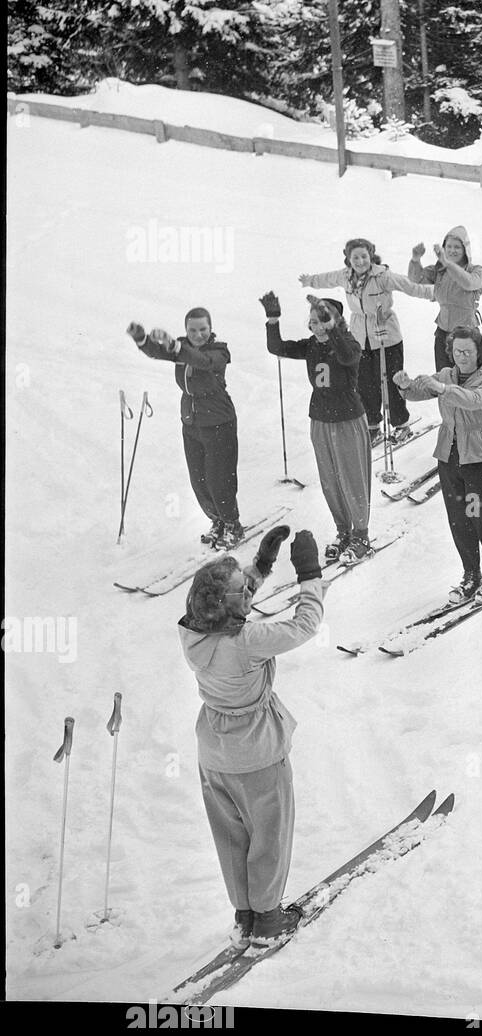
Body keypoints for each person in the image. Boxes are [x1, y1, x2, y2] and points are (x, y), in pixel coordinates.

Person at [179, 524, 322, 948]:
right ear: (231, 603)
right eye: (244, 587)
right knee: (269, 835)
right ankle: (269, 917)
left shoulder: (192, 632)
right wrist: (309, 575)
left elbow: (223, 606)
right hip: (257, 752)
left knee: (231, 837)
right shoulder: (248, 641)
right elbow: (304, 626)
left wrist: (260, 566)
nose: (249, 589)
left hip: (215, 754)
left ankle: (244, 914)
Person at [395, 326, 482, 599]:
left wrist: (444, 389)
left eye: (468, 351)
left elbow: (474, 400)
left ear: (479, 351)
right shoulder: (446, 374)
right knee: (460, 519)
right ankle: (471, 573)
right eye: (457, 351)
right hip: (450, 456)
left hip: (481, 458)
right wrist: (404, 386)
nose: (462, 356)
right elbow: (420, 391)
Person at [263, 292, 372, 564]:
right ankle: (343, 531)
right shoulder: (312, 345)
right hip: (320, 419)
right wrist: (273, 319)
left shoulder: (349, 344)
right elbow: (277, 348)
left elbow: (347, 357)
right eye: (313, 321)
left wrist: (332, 327)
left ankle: (361, 535)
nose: (317, 326)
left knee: (352, 478)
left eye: (322, 320)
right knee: (331, 481)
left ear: (335, 322)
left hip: (346, 419)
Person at [127, 307, 243, 548]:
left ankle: (233, 524)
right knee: (199, 479)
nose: (198, 334)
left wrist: (177, 347)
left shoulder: (219, 351)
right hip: (191, 421)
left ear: (211, 329)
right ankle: (217, 521)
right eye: (192, 330)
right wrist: (142, 339)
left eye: (203, 329)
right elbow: (158, 352)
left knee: (219, 478)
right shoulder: (181, 346)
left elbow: (202, 362)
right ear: (185, 330)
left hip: (219, 421)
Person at [299, 238, 424, 446]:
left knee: (391, 382)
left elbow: (409, 285)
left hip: (387, 337)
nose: (360, 261)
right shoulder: (345, 276)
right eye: (355, 257)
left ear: (371, 255)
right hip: (360, 339)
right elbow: (327, 279)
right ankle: (373, 423)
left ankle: (401, 424)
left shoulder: (382, 275)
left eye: (364, 256)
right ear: (348, 258)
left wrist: (432, 293)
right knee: (365, 383)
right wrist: (310, 280)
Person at [408, 227, 482, 372]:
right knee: (444, 381)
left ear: (465, 250)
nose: (452, 250)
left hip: (467, 336)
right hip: (443, 334)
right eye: (448, 246)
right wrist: (415, 259)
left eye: (457, 247)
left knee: (466, 384)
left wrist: (447, 263)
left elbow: (468, 283)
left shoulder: (477, 271)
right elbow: (416, 280)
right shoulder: (439, 270)